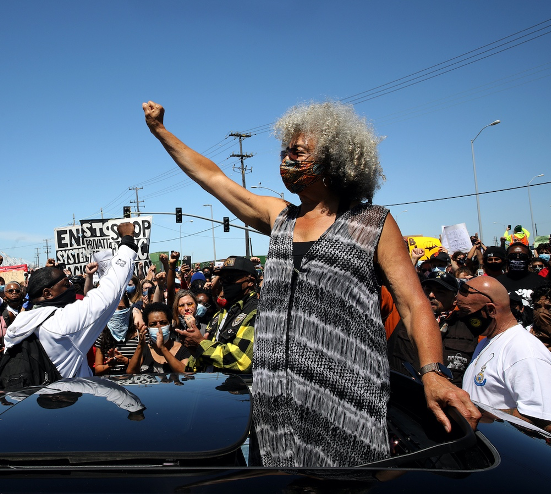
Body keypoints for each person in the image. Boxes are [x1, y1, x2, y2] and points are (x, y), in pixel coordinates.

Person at [143, 100, 478, 467]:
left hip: (347, 406)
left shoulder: (373, 224)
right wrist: (161, 132)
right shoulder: (279, 218)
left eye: (298, 152)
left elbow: (414, 305)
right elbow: (213, 178)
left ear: (334, 161)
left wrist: (432, 373)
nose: (285, 159)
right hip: (275, 412)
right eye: (284, 150)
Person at [4, 222, 138, 378]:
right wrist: (127, 240)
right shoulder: (63, 322)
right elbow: (111, 290)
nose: (72, 287)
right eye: (66, 284)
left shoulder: (21, 322)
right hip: (66, 399)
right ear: (47, 293)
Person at [458, 277, 551, 432]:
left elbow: (543, 420)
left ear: (490, 310)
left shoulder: (524, 351)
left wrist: (480, 411)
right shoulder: (487, 341)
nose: (460, 317)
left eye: (465, 312)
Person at [388, 271, 478, 387]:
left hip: (444, 400)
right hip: (398, 396)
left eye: (440, 292)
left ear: (455, 299)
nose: (431, 295)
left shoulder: (470, 328)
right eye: (427, 290)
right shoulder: (402, 315)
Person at [178, 257, 258, 374]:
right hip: (211, 386)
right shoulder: (220, 314)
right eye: (222, 279)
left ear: (250, 281)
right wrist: (195, 350)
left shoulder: (256, 312)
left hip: (237, 389)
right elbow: (200, 359)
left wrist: (201, 344)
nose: (225, 284)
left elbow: (241, 360)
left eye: (230, 279)